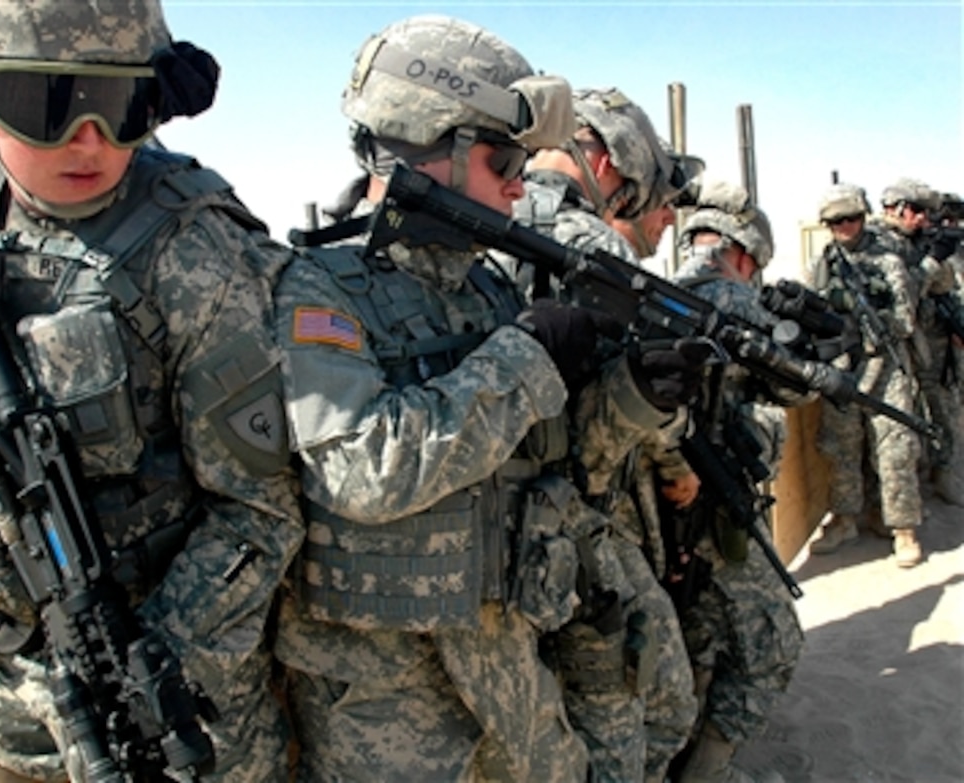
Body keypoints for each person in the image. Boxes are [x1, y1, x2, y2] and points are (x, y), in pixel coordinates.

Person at [0, 1, 303, 780]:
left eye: (122, 107)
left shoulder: (196, 255)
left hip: (176, 699)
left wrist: (143, 672)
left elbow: (258, 514)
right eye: (49, 105)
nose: (91, 142)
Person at [271, 15, 704, 781]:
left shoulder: (483, 286)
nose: (519, 180)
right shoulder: (319, 286)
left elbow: (547, 451)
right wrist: (525, 354)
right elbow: (361, 471)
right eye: (502, 155)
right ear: (422, 142)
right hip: (388, 701)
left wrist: (633, 396)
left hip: (508, 654)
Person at [512, 92, 703, 782]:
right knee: (637, 717)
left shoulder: (484, 219)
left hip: (500, 530)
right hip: (575, 524)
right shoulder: (589, 244)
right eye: (630, 186)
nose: (628, 202)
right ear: (602, 157)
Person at [666, 181, 805, 783]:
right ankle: (708, 773)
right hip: (715, 510)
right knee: (774, 644)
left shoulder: (665, 292)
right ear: (745, 254)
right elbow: (798, 384)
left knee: (697, 639)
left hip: (665, 514)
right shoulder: (736, 300)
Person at [807, 182, 924, 566]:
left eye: (851, 219)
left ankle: (903, 528)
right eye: (836, 221)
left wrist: (872, 317)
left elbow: (906, 321)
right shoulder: (823, 263)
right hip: (843, 365)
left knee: (894, 448)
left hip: (884, 364)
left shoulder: (887, 261)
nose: (845, 227)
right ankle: (844, 519)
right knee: (840, 446)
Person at [872, 178, 963, 506]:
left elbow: (941, 286)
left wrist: (939, 257)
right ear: (898, 208)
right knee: (899, 423)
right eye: (919, 211)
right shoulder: (878, 242)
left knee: (944, 407)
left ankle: (945, 473)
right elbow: (903, 293)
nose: (925, 219)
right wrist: (930, 261)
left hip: (930, 338)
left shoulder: (915, 239)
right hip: (893, 344)